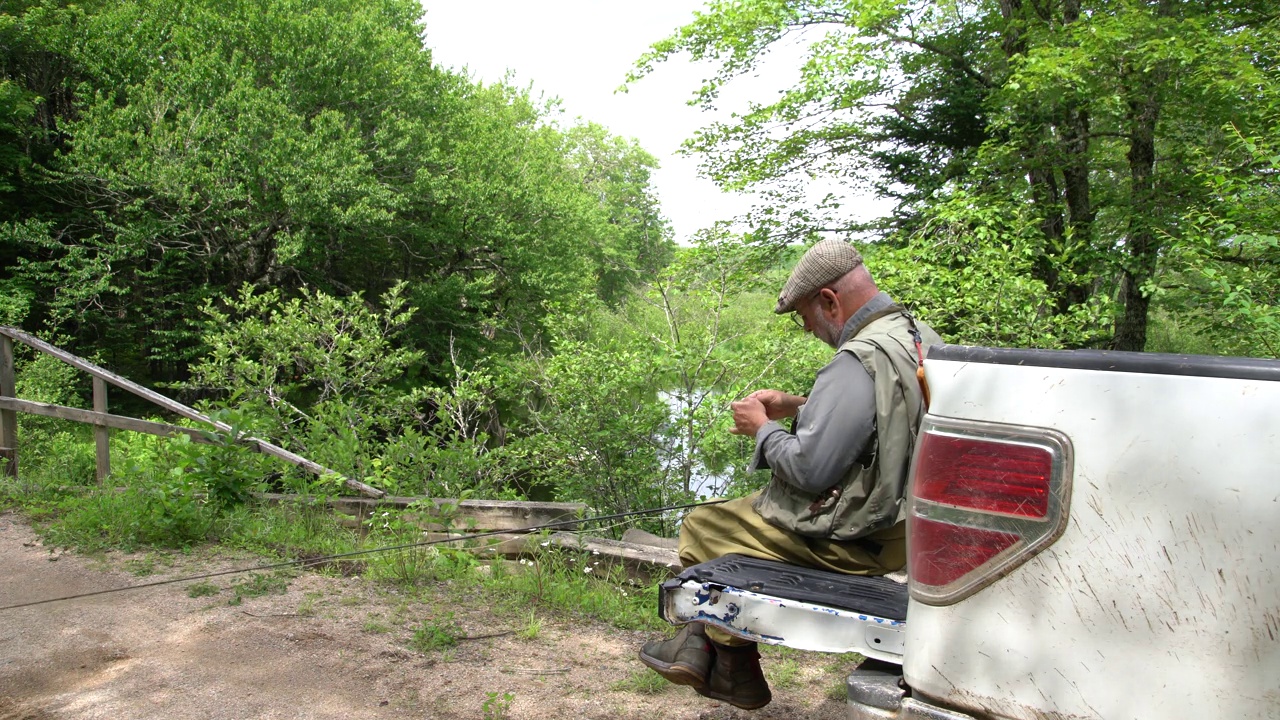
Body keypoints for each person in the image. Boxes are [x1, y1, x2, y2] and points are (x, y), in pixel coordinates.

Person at [638, 239, 941, 710]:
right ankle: (706, 653)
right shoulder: (917, 335)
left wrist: (762, 429)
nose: (808, 330)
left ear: (828, 300)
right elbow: (886, 419)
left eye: (805, 317)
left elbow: (808, 470)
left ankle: (729, 664)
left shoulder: (856, 359)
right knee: (735, 520)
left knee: (704, 524)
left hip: (861, 542)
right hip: (909, 530)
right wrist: (801, 405)